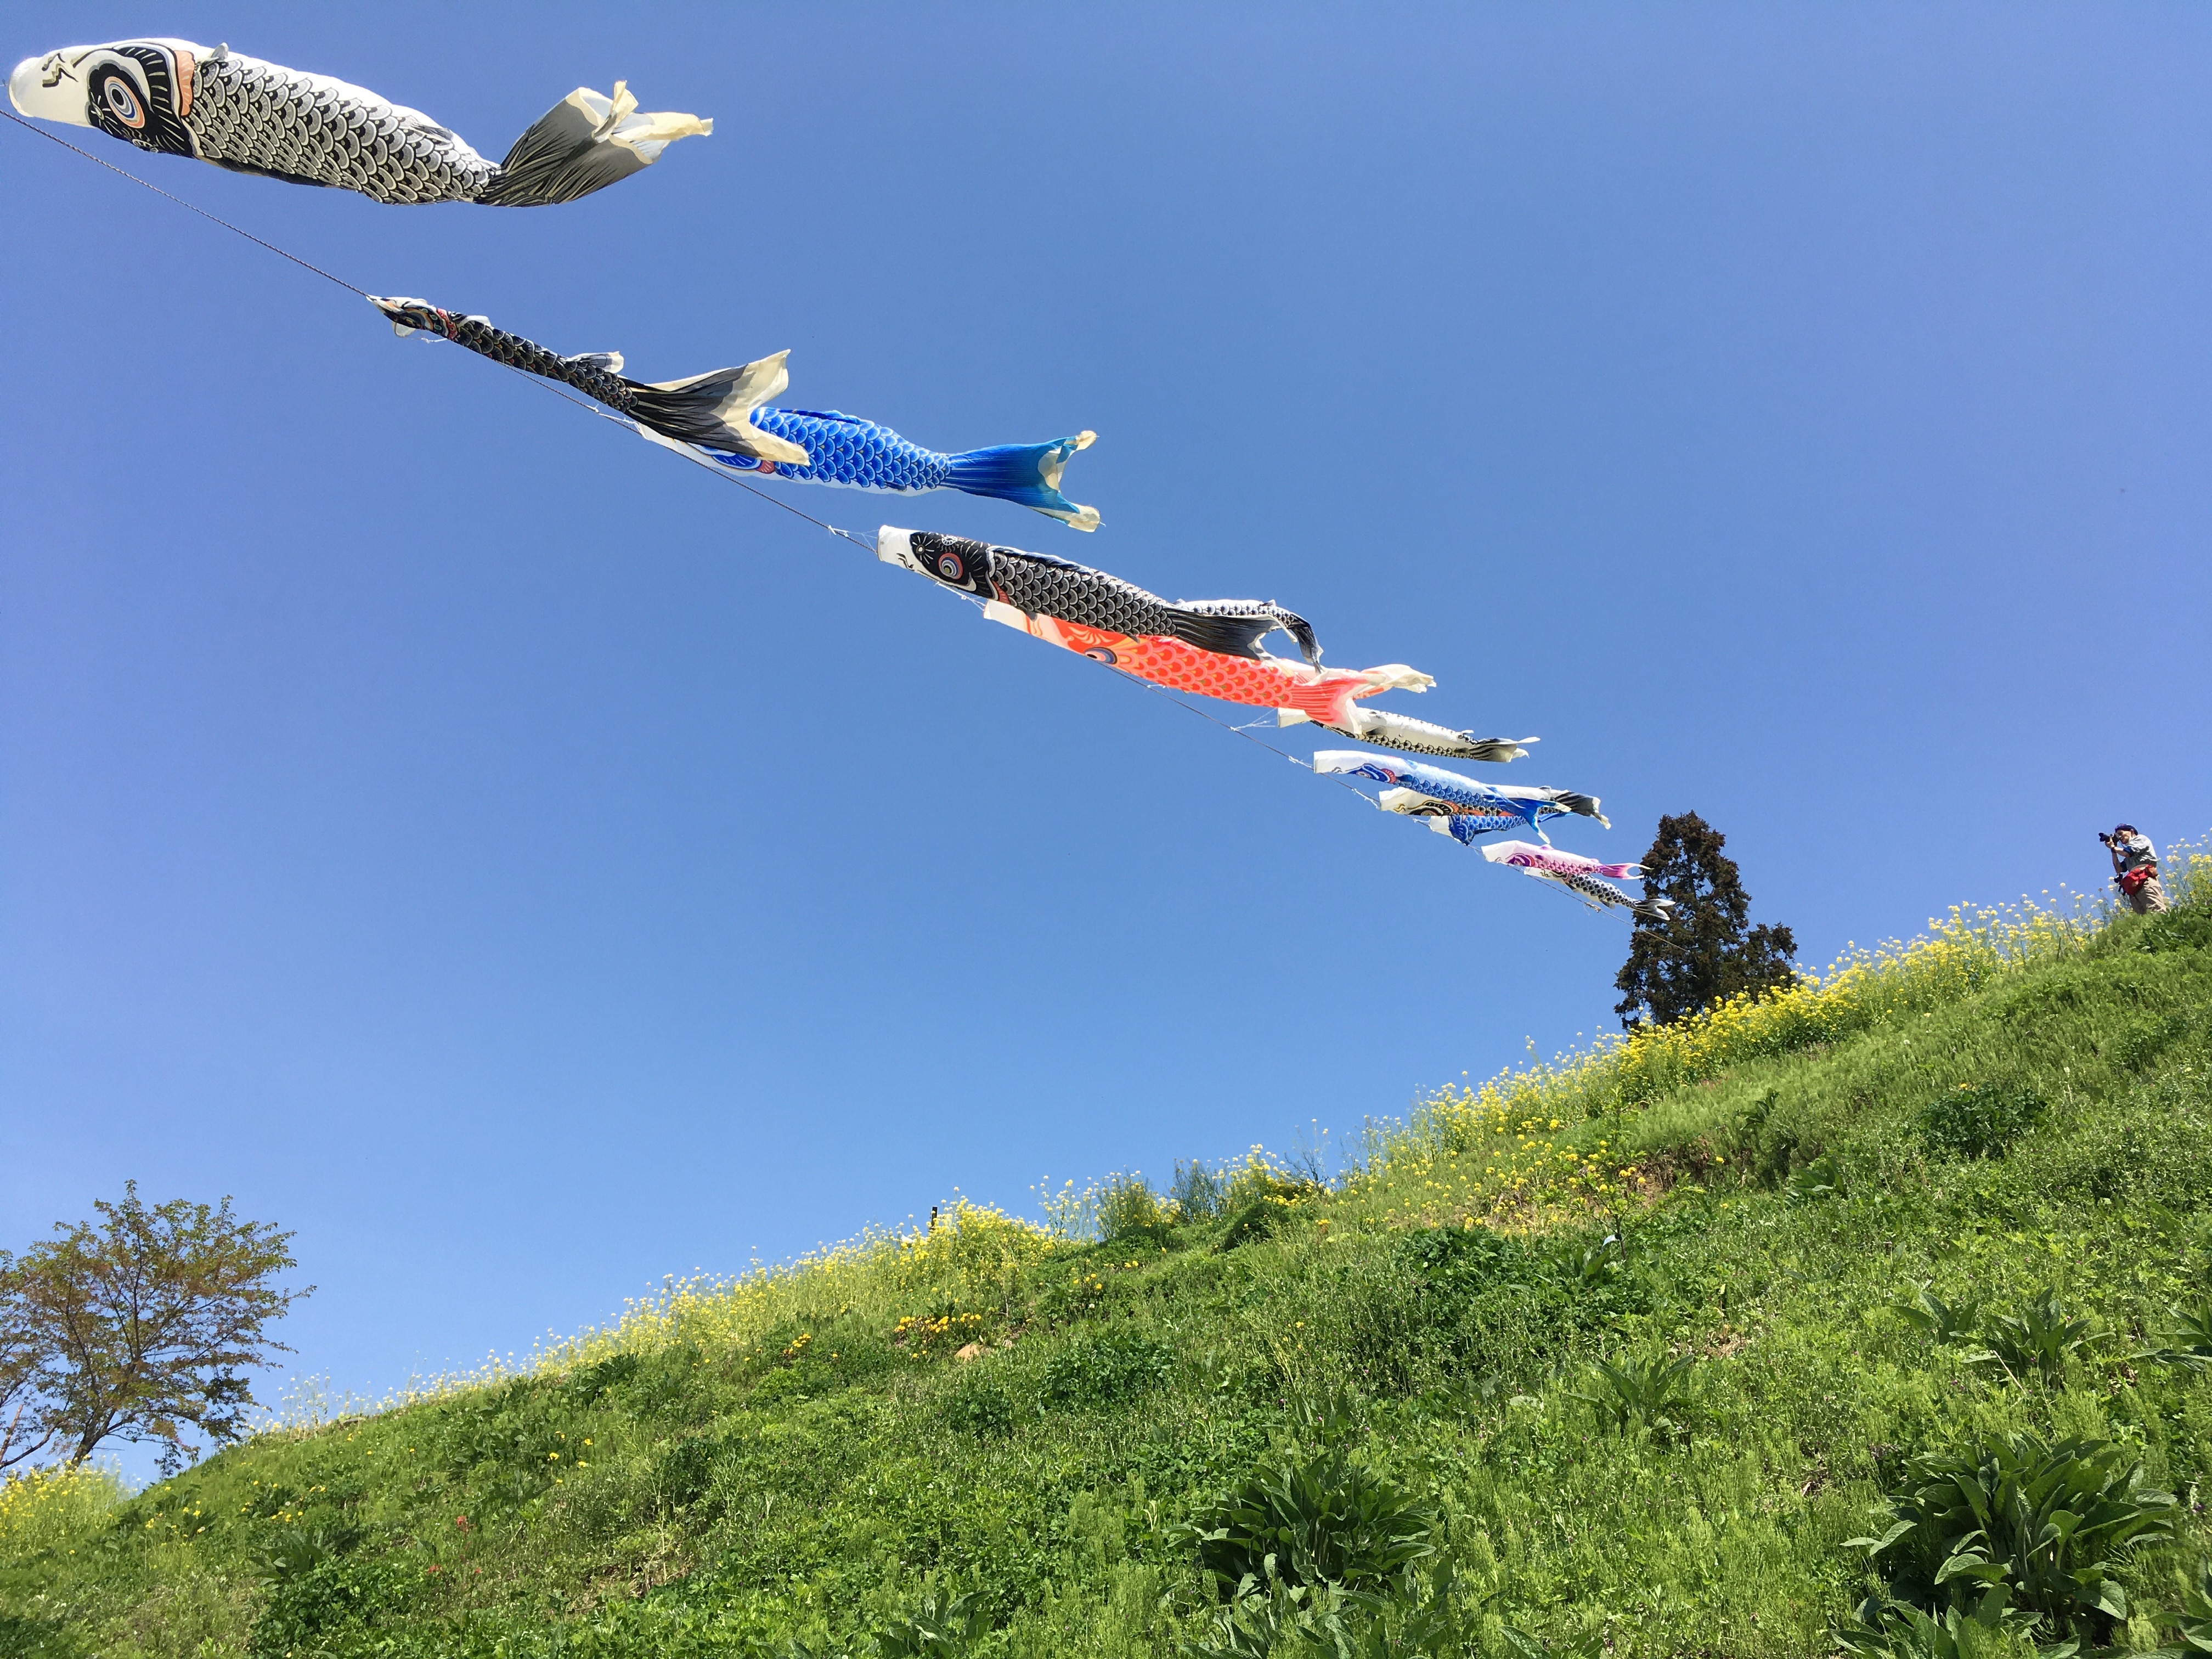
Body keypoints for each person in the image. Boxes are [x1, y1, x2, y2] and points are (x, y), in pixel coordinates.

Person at [2102, 823, 2169, 915]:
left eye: (2121, 834)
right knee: (2142, 915)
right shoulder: (2128, 857)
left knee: (2156, 908)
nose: (2120, 837)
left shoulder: (2140, 839)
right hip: (2134, 882)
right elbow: (2119, 869)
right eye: (2118, 836)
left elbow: (2128, 852)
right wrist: (2113, 851)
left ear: (2132, 832)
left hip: (2145, 878)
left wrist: (2113, 847)